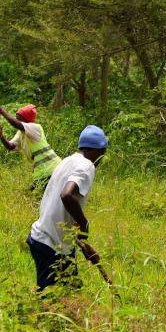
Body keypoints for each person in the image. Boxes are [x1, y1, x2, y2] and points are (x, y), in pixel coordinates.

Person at [26, 125, 107, 293]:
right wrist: (84, 223)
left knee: (71, 291)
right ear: (97, 151)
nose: (102, 158)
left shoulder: (67, 161)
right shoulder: (86, 166)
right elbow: (66, 195)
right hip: (50, 244)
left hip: (45, 239)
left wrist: (80, 240)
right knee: (52, 299)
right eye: (102, 153)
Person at [0, 102, 60, 192]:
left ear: (26, 120)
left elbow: (15, 124)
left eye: (19, 119)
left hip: (52, 168)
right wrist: (1, 137)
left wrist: (0, 110)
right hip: (42, 172)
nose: (17, 121)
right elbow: (10, 146)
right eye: (17, 119)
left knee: (36, 196)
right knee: (35, 195)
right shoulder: (21, 133)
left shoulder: (35, 128)